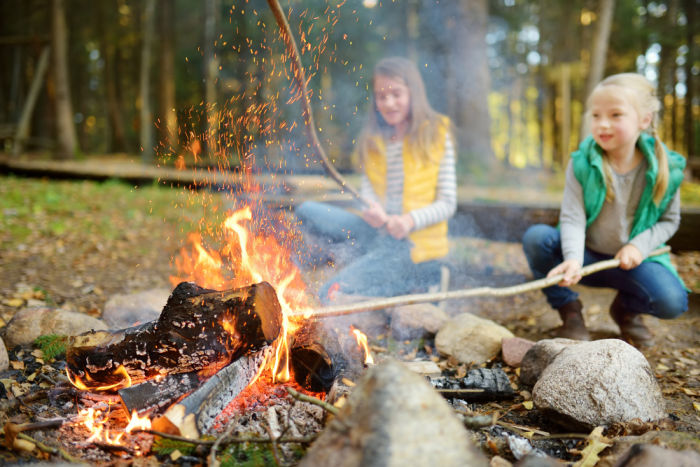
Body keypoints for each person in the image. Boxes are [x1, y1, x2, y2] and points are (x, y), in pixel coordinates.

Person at [522, 72, 687, 347]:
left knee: (672, 301)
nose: (603, 124)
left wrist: (638, 246)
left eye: (616, 115)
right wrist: (573, 258)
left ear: (644, 120)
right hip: (587, 257)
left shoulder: (667, 168)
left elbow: (669, 221)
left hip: (633, 262)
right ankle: (570, 313)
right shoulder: (581, 164)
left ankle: (626, 311)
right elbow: (573, 218)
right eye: (595, 115)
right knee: (537, 238)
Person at [296, 56, 457, 303]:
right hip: (377, 233)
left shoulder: (435, 133)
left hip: (410, 245)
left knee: (328, 293)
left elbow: (447, 202)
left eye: (396, 94)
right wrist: (371, 210)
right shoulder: (373, 141)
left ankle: (424, 279)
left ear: (413, 93)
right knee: (307, 210)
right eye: (382, 96)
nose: (389, 102)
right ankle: (384, 272)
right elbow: (368, 192)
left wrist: (408, 221)